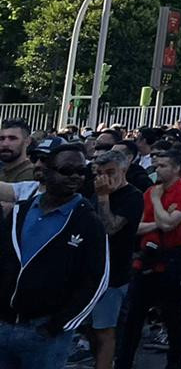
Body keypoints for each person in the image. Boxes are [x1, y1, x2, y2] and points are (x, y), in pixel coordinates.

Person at [0, 137, 108, 369]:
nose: (75, 177)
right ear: (46, 173)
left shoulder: (87, 221)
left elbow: (97, 280)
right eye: (66, 170)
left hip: (46, 335)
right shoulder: (21, 212)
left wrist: (58, 325)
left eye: (81, 171)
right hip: (4, 326)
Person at [114, 147, 181, 369]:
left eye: (163, 166)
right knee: (134, 315)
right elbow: (137, 226)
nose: (157, 169)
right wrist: (159, 220)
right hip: (147, 257)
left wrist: (158, 202)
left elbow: (170, 224)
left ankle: (174, 364)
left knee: (172, 316)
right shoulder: (151, 191)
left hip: (172, 258)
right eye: (157, 165)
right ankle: (123, 362)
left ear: (177, 168)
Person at [84, 147, 143, 369]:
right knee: (89, 328)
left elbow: (109, 228)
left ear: (123, 170)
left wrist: (103, 197)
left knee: (105, 330)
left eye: (110, 172)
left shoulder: (132, 196)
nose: (105, 178)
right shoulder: (95, 191)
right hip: (90, 271)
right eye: (100, 173)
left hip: (114, 273)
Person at [0, 119, 34, 185]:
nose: (5, 144)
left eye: (12, 138)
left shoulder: (31, 175)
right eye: (1, 139)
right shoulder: (2, 172)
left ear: (27, 141)